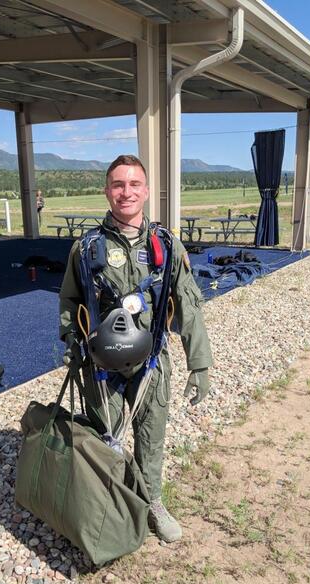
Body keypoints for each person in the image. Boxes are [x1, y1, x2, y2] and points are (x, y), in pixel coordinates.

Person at [59, 155, 212, 543]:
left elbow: (189, 304)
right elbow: (69, 301)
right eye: (117, 184)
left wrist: (200, 364)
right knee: (104, 439)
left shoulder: (167, 245)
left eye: (134, 184)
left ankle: (153, 503)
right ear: (107, 191)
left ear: (146, 191)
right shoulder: (87, 247)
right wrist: (70, 344)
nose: (126, 192)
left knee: (151, 437)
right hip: (100, 364)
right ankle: (107, 507)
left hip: (152, 362)